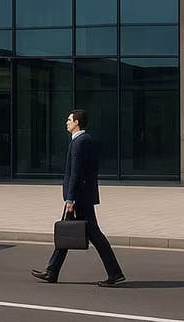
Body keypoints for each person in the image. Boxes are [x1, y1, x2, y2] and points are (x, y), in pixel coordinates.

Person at [31, 109, 125, 286]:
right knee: (68, 231)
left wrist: (70, 199)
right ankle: (52, 271)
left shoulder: (79, 142)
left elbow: (76, 173)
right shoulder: (88, 140)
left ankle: (115, 273)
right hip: (85, 195)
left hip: (79, 198)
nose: (66, 122)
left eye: (69, 120)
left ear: (76, 123)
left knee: (92, 235)